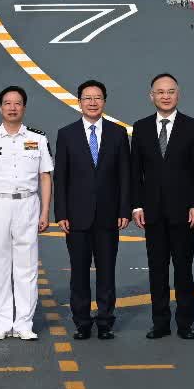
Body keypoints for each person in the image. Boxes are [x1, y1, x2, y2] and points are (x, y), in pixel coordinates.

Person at [0, 86, 56, 342]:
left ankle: (24, 323)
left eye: (17, 103)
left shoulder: (37, 138)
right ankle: (0, 322)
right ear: (0, 108)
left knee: (27, 266)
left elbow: (45, 176)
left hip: (28, 204)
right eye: (7, 103)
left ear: (24, 107)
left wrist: (45, 211)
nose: (12, 107)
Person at [130, 73, 194, 340]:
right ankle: (160, 323)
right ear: (151, 96)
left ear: (178, 94)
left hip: (184, 212)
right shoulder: (140, 127)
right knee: (157, 270)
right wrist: (136, 206)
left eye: (170, 91)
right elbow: (135, 171)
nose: (165, 96)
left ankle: (185, 323)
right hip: (152, 213)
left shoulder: (193, 126)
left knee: (184, 269)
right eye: (160, 92)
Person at [53, 79, 129, 340]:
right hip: (76, 217)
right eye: (87, 98)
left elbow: (125, 175)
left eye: (97, 98)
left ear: (104, 101)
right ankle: (82, 322)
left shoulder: (118, 133)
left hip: (109, 216)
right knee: (79, 273)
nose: (93, 102)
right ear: (79, 102)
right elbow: (60, 177)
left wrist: (124, 210)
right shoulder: (67, 134)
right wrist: (61, 213)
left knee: (107, 272)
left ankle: (105, 322)